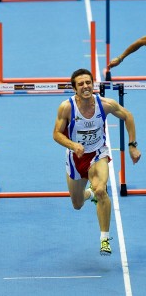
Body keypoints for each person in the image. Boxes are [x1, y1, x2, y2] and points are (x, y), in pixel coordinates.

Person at [53, 68, 141, 256]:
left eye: (88, 82)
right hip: (75, 158)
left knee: (102, 190)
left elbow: (128, 116)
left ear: (93, 84)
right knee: (77, 204)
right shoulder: (67, 108)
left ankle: (104, 239)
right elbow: (56, 134)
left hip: (98, 154)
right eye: (81, 84)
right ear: (74, 89)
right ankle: (89, 192)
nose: (85, 86)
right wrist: (72, 144)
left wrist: (132, 145)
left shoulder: (105, 104)